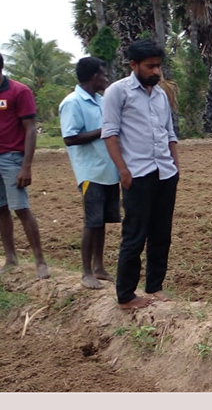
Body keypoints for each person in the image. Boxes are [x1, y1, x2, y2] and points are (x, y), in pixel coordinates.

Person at [102, 39, 179, 310]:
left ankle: (155, 286)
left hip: (165, 173)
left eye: (158, 66)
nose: (156, 71)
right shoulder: (117, 93)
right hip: (137, 174)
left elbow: (170, 134)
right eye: (150, 66)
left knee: (161, 233)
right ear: (133, 65)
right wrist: (123, 171)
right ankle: (125, 295)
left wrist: (175, 166)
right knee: (135, 233)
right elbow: (109, 134)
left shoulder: (160, 95)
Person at [59, 57, 119, 289]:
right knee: (91, 221)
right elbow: (70, 137)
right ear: (95, 76)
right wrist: (104, 131)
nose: (106, 79)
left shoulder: (100, 101)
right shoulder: (73, 103)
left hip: (107, 170)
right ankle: (86, 272)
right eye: (103, 74)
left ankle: (99, 267)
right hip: (90, 172)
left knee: (101, 221)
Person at [0, 54, 50, 279]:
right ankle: (10, 257)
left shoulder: (20, 91)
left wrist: (26, 166)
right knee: (0, 209)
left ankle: (40, 261)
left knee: (20, 208)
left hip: (12, 157)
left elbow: (30, 129)